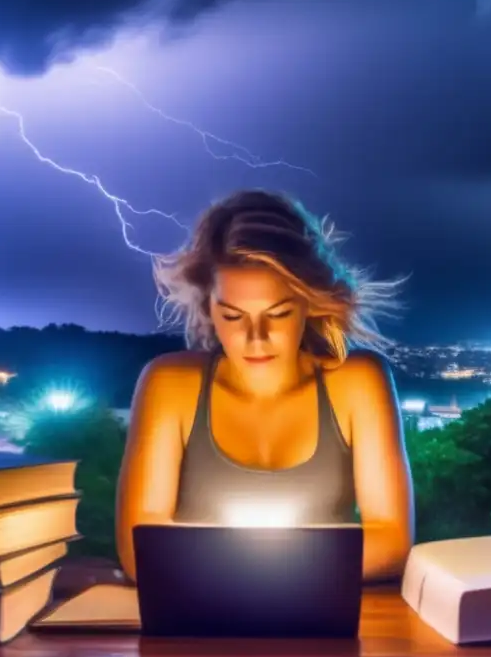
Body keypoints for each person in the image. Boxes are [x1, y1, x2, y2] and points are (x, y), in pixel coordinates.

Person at [115, 189, 414, 583]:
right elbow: (141, 548)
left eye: (279, 313)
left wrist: (229, 570)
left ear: (310, 302)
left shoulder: (357, 383)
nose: (256, 338)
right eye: (234, 316)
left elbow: (392, 540)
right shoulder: (169, 385)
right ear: (208, 308)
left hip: (324, 631)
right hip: (195, 629)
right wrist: (301, 567)